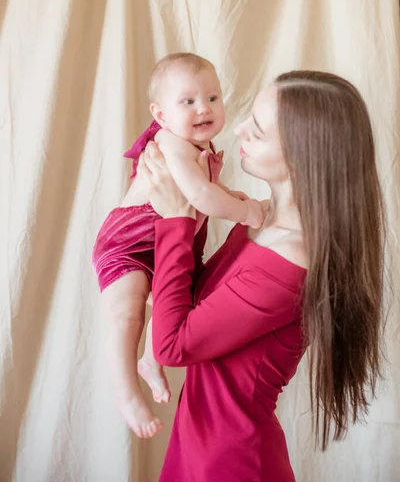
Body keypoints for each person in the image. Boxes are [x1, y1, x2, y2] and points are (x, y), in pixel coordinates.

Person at [136, 70, 386, 481]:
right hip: (196, 443)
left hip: (232, 462)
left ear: (304, 155)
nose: (237, 129)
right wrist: (192, 207)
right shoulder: (258, 216)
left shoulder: (290, 260)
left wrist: (176, 219)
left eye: (257, 129)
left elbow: (171, 345)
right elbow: (190, 299)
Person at [92, 53, 264, 439]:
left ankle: (151, 361)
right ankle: (125, 391)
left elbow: (206, 192)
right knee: (127, 314)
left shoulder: (197, 144)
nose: (204, 108)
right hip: (128, 243)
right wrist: (247, 210)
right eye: (188, 101)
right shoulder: (170, 141)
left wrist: (230, 195)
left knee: (184, 305)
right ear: (161, 114)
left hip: (169, 243)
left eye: (213, 98)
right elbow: (201, 197)